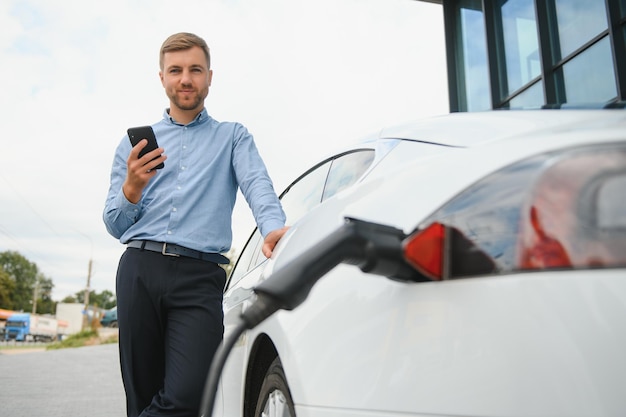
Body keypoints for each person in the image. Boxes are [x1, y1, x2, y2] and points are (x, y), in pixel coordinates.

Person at [103, 32, 288, 417]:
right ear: (162, 78)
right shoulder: (133, 146)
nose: (185, 78)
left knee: (188, 397)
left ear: (209, 76)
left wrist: (272, 226)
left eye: (195, 70)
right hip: (140, 269)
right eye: (176, 70)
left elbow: (257, 183)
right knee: (141, 397)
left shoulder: (232, 136)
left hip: (199, 277)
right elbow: (115, 224)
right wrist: (133, 188)